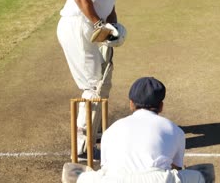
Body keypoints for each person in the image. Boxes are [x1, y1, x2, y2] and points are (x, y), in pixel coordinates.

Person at [57, 0, 130, 158]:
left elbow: (105, 0)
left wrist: (113, 25)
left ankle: (94, 130)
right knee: (93, 87)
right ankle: (82, 148)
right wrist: (101, 26)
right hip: (78, 27)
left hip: (81, 27)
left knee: (100, 81)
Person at [70, 77, 205, 183]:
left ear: (131, 104)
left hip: (115, 180)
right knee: (203, 174)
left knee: (73, 173)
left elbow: (106, 167)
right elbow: (176, 169)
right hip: (157, 180)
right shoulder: (175, 130)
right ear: (161, 106)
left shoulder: (111, 130)